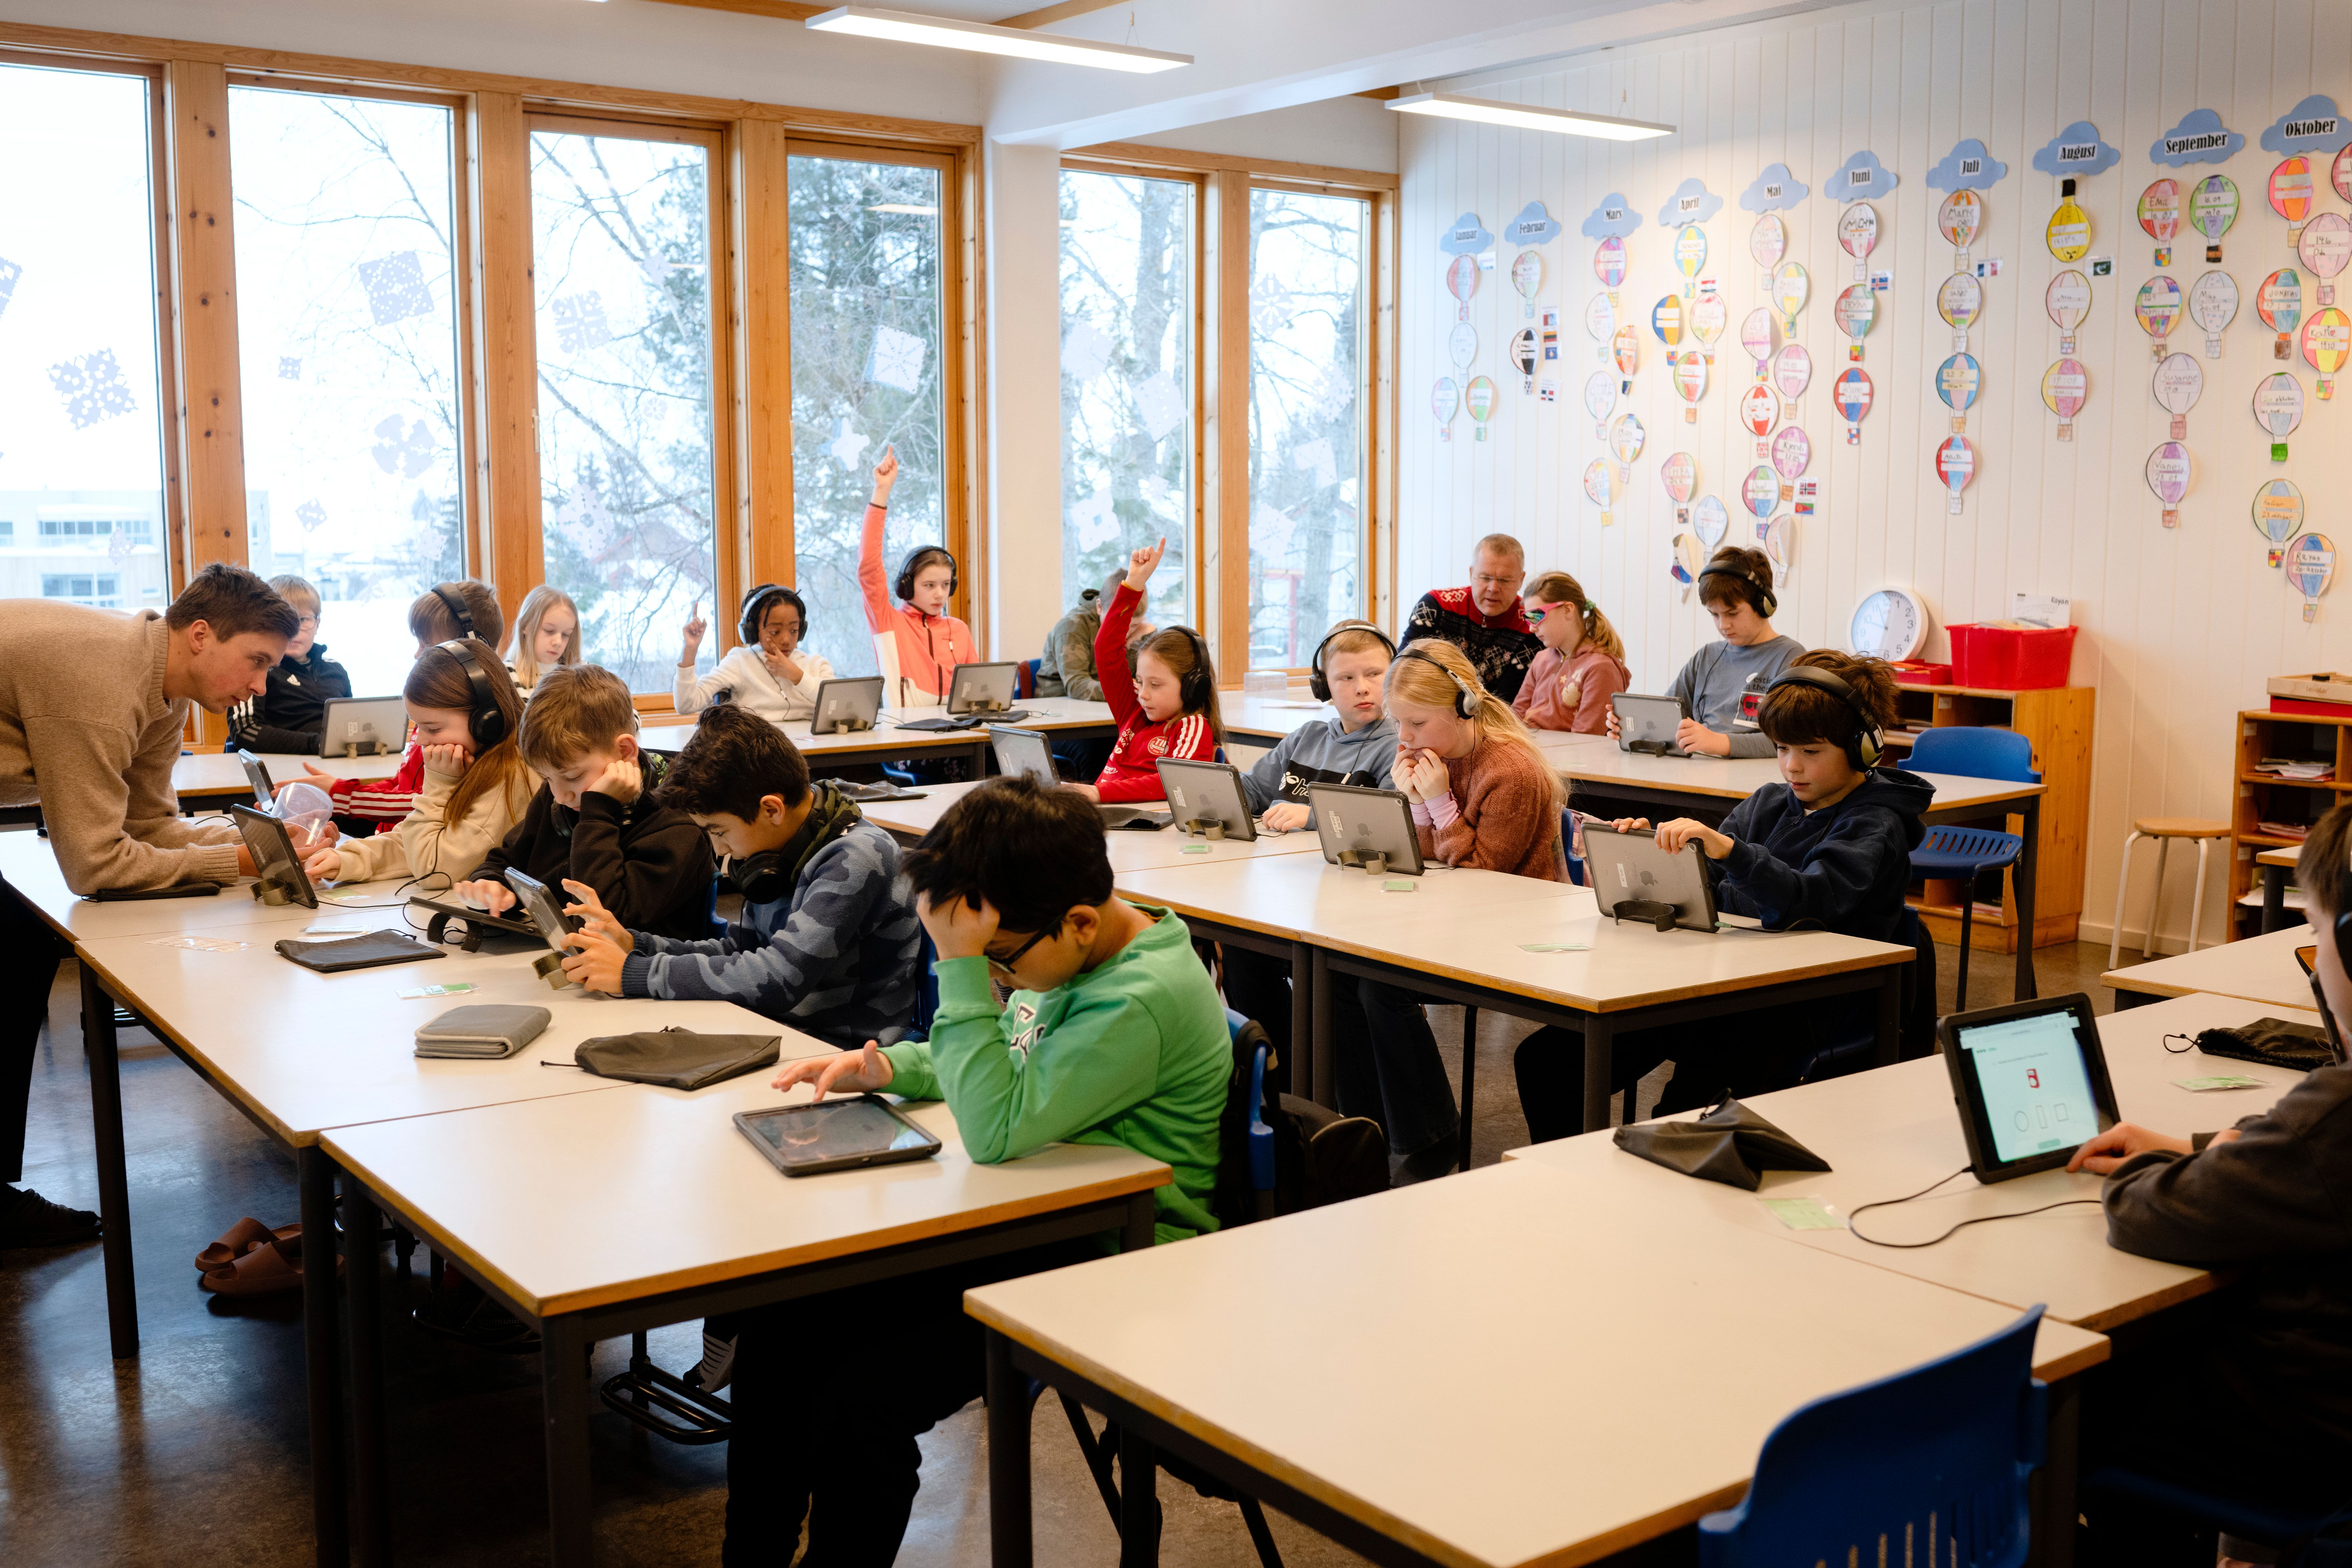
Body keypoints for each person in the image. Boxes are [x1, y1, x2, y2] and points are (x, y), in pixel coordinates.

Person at [723, 778, 1229, 1563]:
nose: (995, 979)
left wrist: (957, 964)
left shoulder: (1136, 998)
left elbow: (993, 1126)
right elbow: (1006, 1053)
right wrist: (890, 1066)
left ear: (1080, 922)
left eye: (998, 960)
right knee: (779, 1329)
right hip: (1023, 1222)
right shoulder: (1070, 946)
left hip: (1105, 1257)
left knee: (862, 1404)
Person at [0, 563, 296, 1246]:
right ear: (201, 635)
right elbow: (96, 863)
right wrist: (239, 862)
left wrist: (260, 845)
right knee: (14, 944)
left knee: (20, 943)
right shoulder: (100, 682)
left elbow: (149, 826)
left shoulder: (165, 692)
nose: (261, 685)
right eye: (256, 661)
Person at [1517, 651, 1930, 1139]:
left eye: (1811, 751)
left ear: (1863, 749)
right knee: (1547, 1063)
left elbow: (1810, 901)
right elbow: (1708, 885)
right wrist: (1658, 855)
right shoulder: (1771, 802)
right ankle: (1568, 1177)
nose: (1792, 766)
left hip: (1796, 1008)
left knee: (1682, 1124)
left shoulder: (1875, 825)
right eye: (1782, 748)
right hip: (1720, 987)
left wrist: (1733, 853)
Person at [555, 702, 919, 1048]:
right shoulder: (783, 850)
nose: (719, 850)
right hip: (776, 1028)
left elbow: (779, 978)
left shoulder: (856, 858)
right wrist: (636, 945)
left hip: (843, 1051)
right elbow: (739, 950)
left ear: (771, 809)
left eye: (719, 832)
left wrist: (634, 972)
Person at [1349, 640, 1565, 1185]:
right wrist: (1417, 803)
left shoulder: (1510, 771)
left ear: (1464, 707)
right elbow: (1426, 855)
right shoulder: (1434, 759)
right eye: (1399, 722)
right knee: (1342, 970)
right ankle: (1362, 1123)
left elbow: (1480, 874)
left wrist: (1437, 803)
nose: (1404, 738)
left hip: (1513, 932)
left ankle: (1429, 1133)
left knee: (1381, 987)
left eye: (1417, 723)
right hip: (1455, 921)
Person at [1219, 619, 1398, 1069]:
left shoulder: (1396, 744)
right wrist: (1213, 791)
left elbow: (1391, 825)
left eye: (1374, 674)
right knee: (1241, 949)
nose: (1362, 687)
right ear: (1324, 687)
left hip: (1352, 906)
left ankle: (1316, 1076)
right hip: (1286, 889)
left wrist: (1312, 816)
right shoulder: (1308, 736)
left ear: (1395, 676)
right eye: (1345, 678)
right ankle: (1281, 1070)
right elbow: (1253, 790)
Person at [449, 663, 712, 942]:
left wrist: (597, 814)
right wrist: (491, 884)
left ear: (625, 752)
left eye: (573, 777)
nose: (560, 795)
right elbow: (507, 860)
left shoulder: (678, 827)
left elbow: (602, 922)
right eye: (547, 778)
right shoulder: (561, 794)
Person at [309, 640, 536, 890]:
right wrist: (349, 859)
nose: (421, 741)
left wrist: (439, 786)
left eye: (433, 729)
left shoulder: (508, 775)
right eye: (418, 727)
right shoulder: (477, 759)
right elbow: (416, 842)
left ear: (487, 721)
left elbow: (433, 870)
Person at [312, 579, 505, 836]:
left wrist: (342, 795)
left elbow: (424, 801)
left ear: (471, 650)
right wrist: (340, 790)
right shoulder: (432, 720)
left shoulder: (470, 727)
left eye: (428, 645)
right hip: (395, 837)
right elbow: (401, 784)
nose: (418, 654)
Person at [1608, 546, 1801, 760]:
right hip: (1699, 768)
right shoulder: (1707, 656)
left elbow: (1793, 740)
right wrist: (1632, 727)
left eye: (1732, 613)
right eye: (1714, 615)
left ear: (1764, 605)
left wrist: (1720, 743)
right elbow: (1667, 718)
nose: (1723, 625)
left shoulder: (1791, 657)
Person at [1071, 537, 1221, 804]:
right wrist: (1134, 584)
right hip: (1104, 811)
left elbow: (1174, 782)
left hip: (1140, 821)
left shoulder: (1192, 726)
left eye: (1156, 684)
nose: (1143, 694)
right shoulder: (1134, 712)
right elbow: (1106, 650)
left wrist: (1099, 793)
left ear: (1193, 687)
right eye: (1140, 681)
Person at [855, 444, 974, 706]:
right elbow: (868, 567)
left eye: (946, 585)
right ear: (907, 587)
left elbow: (978, 694)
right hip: (906, 729)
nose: (940, 594)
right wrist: (881, 492)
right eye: (929, 585)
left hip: (960, 728)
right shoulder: (888, 623)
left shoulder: (959, 630)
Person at [1403, 533, 1543, 702]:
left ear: (1521, 580)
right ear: (1471, 573)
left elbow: (1506, 701)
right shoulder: (1435, 607)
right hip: (1426, 706)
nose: (1493, 588)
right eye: (1485, 578)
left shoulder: (1531, 625)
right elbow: (1404, 670)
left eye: (1505, 581)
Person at [225, 574, 351, 755]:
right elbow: (245, 732)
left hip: (337, 763)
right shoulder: (257, 670)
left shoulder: (336, 670)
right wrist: (317, 744)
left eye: (303, 620)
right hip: (283, 765)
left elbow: (352, 725)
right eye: (284, 621)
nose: (294, 631)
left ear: (317, 624)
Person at [674, 584, 835, 725]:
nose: (787, 640)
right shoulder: (740, 662)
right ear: (752, 631)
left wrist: (797, 676)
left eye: (794, 630)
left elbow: (835, 704)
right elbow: (687, 705)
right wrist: (690, 650)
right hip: (757, 746)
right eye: (775, 631)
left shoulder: (817, 664)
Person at [1511, 571, 1628, 735]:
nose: (1532, 628)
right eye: (1528, 618)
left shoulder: (1601, 668)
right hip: (1528, 747)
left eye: (1536, 616)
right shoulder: (1541, 659)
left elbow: (1585, 739)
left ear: (1568, 610)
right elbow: (1514, 719)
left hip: (1565, 752)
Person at [1035, 575, 1117, 701]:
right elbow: (1076, 685)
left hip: (1096, 705)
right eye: (1117, 621)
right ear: (1100, 607)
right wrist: (1124, 692)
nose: (1126, 630)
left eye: (1134, 625)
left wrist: (1144, 638)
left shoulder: (1131, 631)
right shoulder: (1072, 627)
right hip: (1058, 704)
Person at [504, 584, 581, 694]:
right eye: (549, 631)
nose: (558, 642)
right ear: (525, 626)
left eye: (566, 634)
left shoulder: (582, 675)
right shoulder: (506, 675)